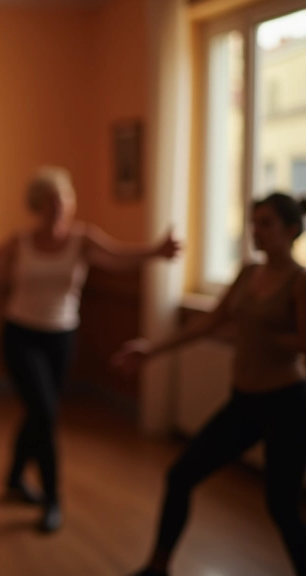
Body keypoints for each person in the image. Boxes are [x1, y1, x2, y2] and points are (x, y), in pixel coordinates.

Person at [0, 166, 180, 532]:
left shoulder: (84, 238)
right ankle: (53, 499)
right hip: (20, 335)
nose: (59, 207)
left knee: (39, 412)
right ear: (38, 206)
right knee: (45, 413)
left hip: (61, 337)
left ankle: (13, 478)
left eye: (64, 199)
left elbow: (119, 257)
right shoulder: (20, 241)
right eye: (50, 201)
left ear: (72, 203)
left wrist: (157, 251)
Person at [116, 192, 306, 576]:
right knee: (181, 476)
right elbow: (209, 322)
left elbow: (305, 340)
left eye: (265, 223)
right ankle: (157, 567)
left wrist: (268, 339)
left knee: (281, 506)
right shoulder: (249, 272)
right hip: (245, 402)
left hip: (286, 403)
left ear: (290, 230)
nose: (256, 230)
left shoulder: (299, 281)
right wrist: (151, 350)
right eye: (253, 222)